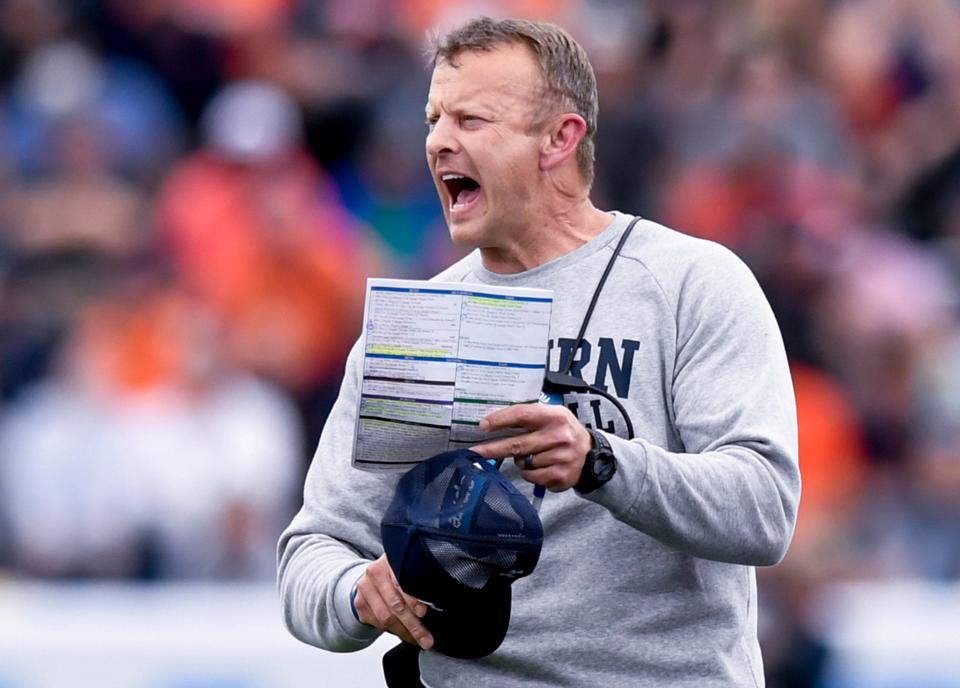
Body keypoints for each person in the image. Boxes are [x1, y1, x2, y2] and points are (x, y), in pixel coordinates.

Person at [278, 16, 800, 687]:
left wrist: (601, 462)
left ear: (561, 138)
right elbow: (310, 554)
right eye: (434, 119)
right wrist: (358, 593)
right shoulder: (419, 329)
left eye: (471, 120)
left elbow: (763, 510)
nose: (438, 142)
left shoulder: (688, 282)